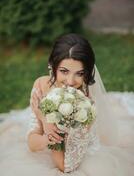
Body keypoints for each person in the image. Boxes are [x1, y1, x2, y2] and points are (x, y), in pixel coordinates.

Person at [0, 33, 134, 176]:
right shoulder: (41, 85)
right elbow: (32, 144)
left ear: (87, 73)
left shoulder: (86, 104)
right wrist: (45, 125)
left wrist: (49, 121)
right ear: (53, 66)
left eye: (79, 73)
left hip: (76, 159)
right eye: (64, 71)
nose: (70, 81)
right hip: (44, 151)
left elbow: (66, 166)